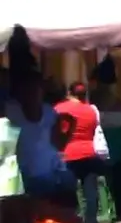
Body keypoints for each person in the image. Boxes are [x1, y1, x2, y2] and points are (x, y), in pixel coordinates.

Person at [7, 70, 77, 204]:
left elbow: (58, 144)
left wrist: (71, 127)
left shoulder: (49, 111)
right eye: (29, 89)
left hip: (49, 174)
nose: (33, 94)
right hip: (22, 176)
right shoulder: (11, 110)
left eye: (37, 90)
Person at [54, 82, 104, 223]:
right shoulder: (90, 110)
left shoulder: (59, 108)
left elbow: (55, 130)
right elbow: (94, 129)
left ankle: (70, 222)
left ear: (70, 92)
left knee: (68, 189)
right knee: (90, 190)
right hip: (89, 151)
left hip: (67, 153)